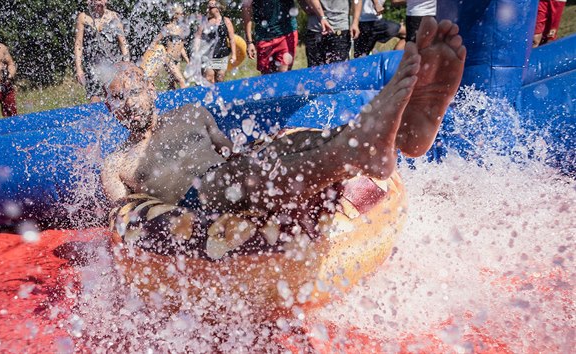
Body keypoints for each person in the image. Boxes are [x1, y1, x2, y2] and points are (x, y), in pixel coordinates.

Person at [101, 18, 466, 257]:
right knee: (237, 177)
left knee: (280, 146)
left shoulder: (191, 113)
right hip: (198, 203)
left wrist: (267, 151)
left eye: (134, 90)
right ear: (109, 108)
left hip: (234, 175)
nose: (129, 102)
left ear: (151, 89)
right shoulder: (117, 164)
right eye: (119, 97)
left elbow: (231, 150)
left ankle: (403, 131)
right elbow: (125, 220)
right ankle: (352, 153)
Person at [74, 0, 130, 103]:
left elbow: (123, 43)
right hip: (93, 66)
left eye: (103, 0)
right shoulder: (83, 17)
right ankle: (96, 117)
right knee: (95, 97)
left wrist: (127, 66)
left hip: (113, 64)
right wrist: (79, 69)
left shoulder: (114, 17)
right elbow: (78, 44)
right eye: (97, 0)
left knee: (116, 97)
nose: (100, 3)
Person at [242, 0, 299, 75]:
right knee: (267, 77)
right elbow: (246, 8)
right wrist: (249, 42)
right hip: (264, 37)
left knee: (284, 74)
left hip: (286, 32)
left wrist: (319, 17)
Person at [141, 4, 190, 90]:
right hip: (169, 59)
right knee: (181, 81)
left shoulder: (182, 29)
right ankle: (187, 102)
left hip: (177, 61)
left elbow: (181, 47)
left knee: (172, 84)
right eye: (180, 14)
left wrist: (187, 60)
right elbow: (156, 40)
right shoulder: (168, 28)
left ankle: (172, 102)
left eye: (183, 14)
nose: (182, 16)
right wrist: (148, 54)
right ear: (174, 15)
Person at [301, 0, 363, 67]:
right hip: (316, 29)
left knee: (339, 70)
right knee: (315, 72)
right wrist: (321, 17)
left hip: (339, 28)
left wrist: (355, 22)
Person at [194, 0, 237, 84]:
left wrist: (234, 55)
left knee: (220, 78)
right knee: (209, 78)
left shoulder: (226, 21)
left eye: (210, 8)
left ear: (218, 8)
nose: (208, 10)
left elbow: (232, 39)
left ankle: (219, 96)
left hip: (222, 55)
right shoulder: (205, 22)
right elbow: (198, 37)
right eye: (208, 8)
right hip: (208, 55)